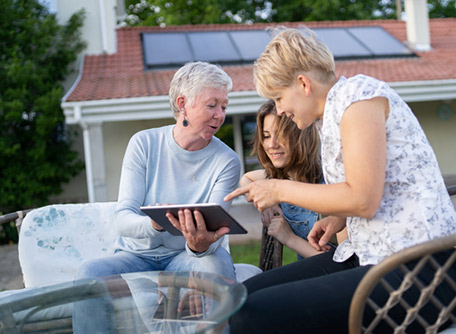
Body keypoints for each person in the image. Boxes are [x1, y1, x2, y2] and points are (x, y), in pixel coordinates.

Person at [225, 27, 456, 333]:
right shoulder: (331, 114)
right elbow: (375, 187)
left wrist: (279, 188)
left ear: (303, 84)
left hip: (422, 270)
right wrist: (337, 218)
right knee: (241, 297)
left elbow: (363, 199)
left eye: (279, 98)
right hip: (369, 254)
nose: (280, 110)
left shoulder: (358, 97)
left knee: (251, 315)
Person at [73, 61, 241, 333]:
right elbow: (122, 219)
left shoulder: (227, 161)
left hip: (185, 257)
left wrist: (198, 246)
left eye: (224, 106)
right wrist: (155, 223)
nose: (220, 115)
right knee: (90, 273)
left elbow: (211, 238)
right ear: (183, 103)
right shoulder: (144, 144)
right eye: (212, 105)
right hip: (136, 255)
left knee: (215, 261)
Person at [242, 99, 334, 259]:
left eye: (281, 135)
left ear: (300, 136)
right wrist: (266, 206)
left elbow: (339, 265)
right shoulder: (280, 177)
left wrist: (289, 238)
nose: (272, 144)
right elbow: (247, 179)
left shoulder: (330, 183)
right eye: (266, 136)